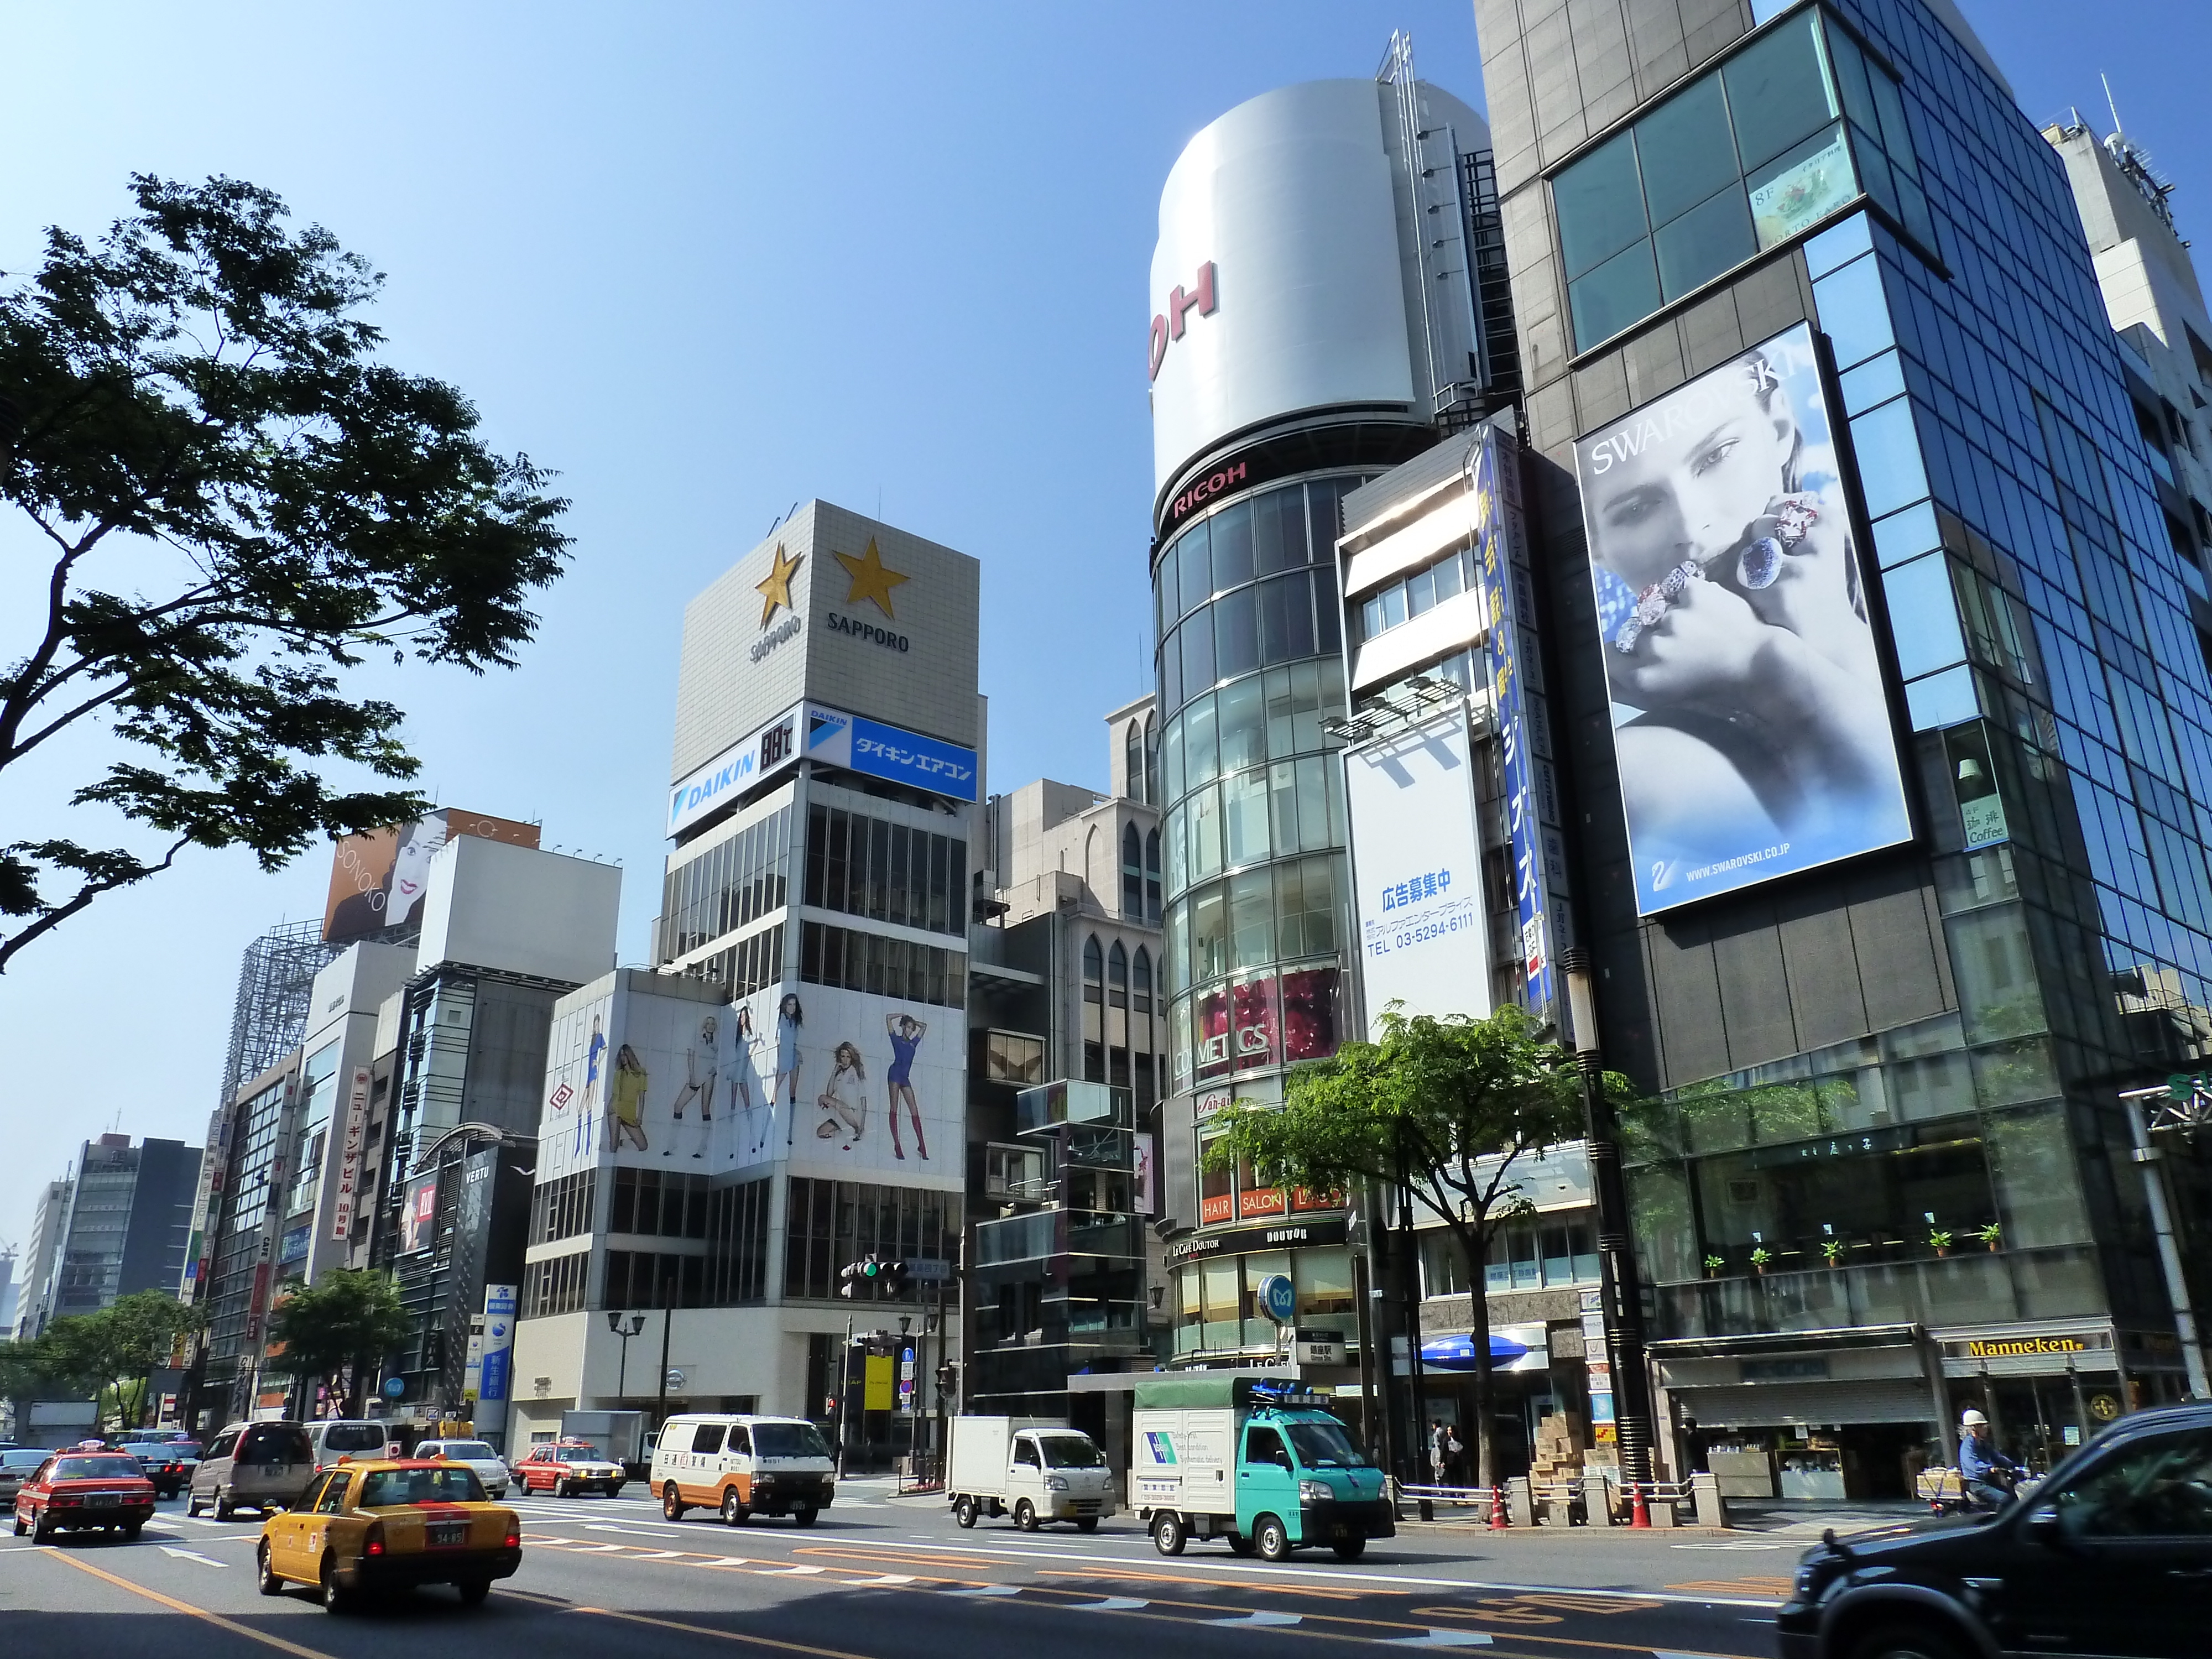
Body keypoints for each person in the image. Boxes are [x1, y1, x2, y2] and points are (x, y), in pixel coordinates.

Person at [1580, 334, 1903, 902]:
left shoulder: (1902, 574)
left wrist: (1827, 630)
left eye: (1715, 456)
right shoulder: (1633, 768)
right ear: (1598, 547)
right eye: (1636, 508)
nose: (1693, 522)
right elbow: (1880, 817)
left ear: (1777, 428)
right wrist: (1761, 663)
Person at [666, 1014, 719, 1160]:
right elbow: (691, 1056)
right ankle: (672, 1144)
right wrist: (692, 1075)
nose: (710, 1026)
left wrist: (715, 1069)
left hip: (708, 1076)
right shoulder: (697, 1038)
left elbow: (719, 1058)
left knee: (705, 1109)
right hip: (696, 1076)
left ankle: (703, 1148)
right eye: (708, 1023)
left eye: (713, 1024)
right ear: (704, 1025)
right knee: (678, 1106)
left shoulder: (716, 1041)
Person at [884, 1013, 929, 1161]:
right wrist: (902, 1016)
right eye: (908, 1027)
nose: (910, 1030)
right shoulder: (896, 1039)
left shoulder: (913, 1043)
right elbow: (888, 1018)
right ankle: (897, 1145)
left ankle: (922, 1145)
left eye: (912, 1028)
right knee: (894, 1109)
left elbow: (925, 1027)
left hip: (905, 1077)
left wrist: (913, 1021)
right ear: (903, 1027)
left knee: (914, 1110)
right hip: (894, 1074)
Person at [1957, 1409, 2021, 1510]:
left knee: (2014, 1498)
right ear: (1974, 1428)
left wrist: (2014, 1466)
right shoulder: (1967, 1445)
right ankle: (2001, 1524)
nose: (1986, 1428)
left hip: (1988, 1481)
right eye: (1983, 1426)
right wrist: (1990, 1469)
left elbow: (1997, 1457)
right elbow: (1973, 1465)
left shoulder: (1983, 1444)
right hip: (1976, 1484)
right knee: (2005, 1499)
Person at [816, 1041, 867, 1150]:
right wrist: (834, 1072)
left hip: (853, 1114)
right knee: (821, 1133)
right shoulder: (839, 1075)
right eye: (843, 1057)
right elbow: (829, 1093)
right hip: (842, 1115)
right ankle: (847, 1131)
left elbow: (863, 1101)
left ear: (852, 1058)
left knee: (822, 1098)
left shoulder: (856, 1072)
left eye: (848, 1057)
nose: (845, 1060)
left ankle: (852, 1131)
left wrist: (862, 1125)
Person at [607, 1044, 649, 1152]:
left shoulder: (640, 1074)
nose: (623, 1059)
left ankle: (620, 1142)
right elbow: (615, 1094)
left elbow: (642, 1098)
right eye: (621, 1056)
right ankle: (614, 1144)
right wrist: (612, 1108)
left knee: (643, 1146)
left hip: (629, 1111)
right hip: (616, 1108)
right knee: (613, 1147)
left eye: (625, 1055)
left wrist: (640, 1117)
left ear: (630, 1056)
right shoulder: (619, 1074)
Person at [773, 994, 804, 1113]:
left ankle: (792, 1108)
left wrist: (797, 1052)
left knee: (793, 1087)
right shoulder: (782, 1020)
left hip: (793, 1054)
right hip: (784, 1055)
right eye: (790, 1004)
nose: (792, 1007)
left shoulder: (794, 1021)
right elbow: (779, 1040)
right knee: (777, 1086)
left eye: (794, 1004)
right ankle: (772, 1107)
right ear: (785, 1006)